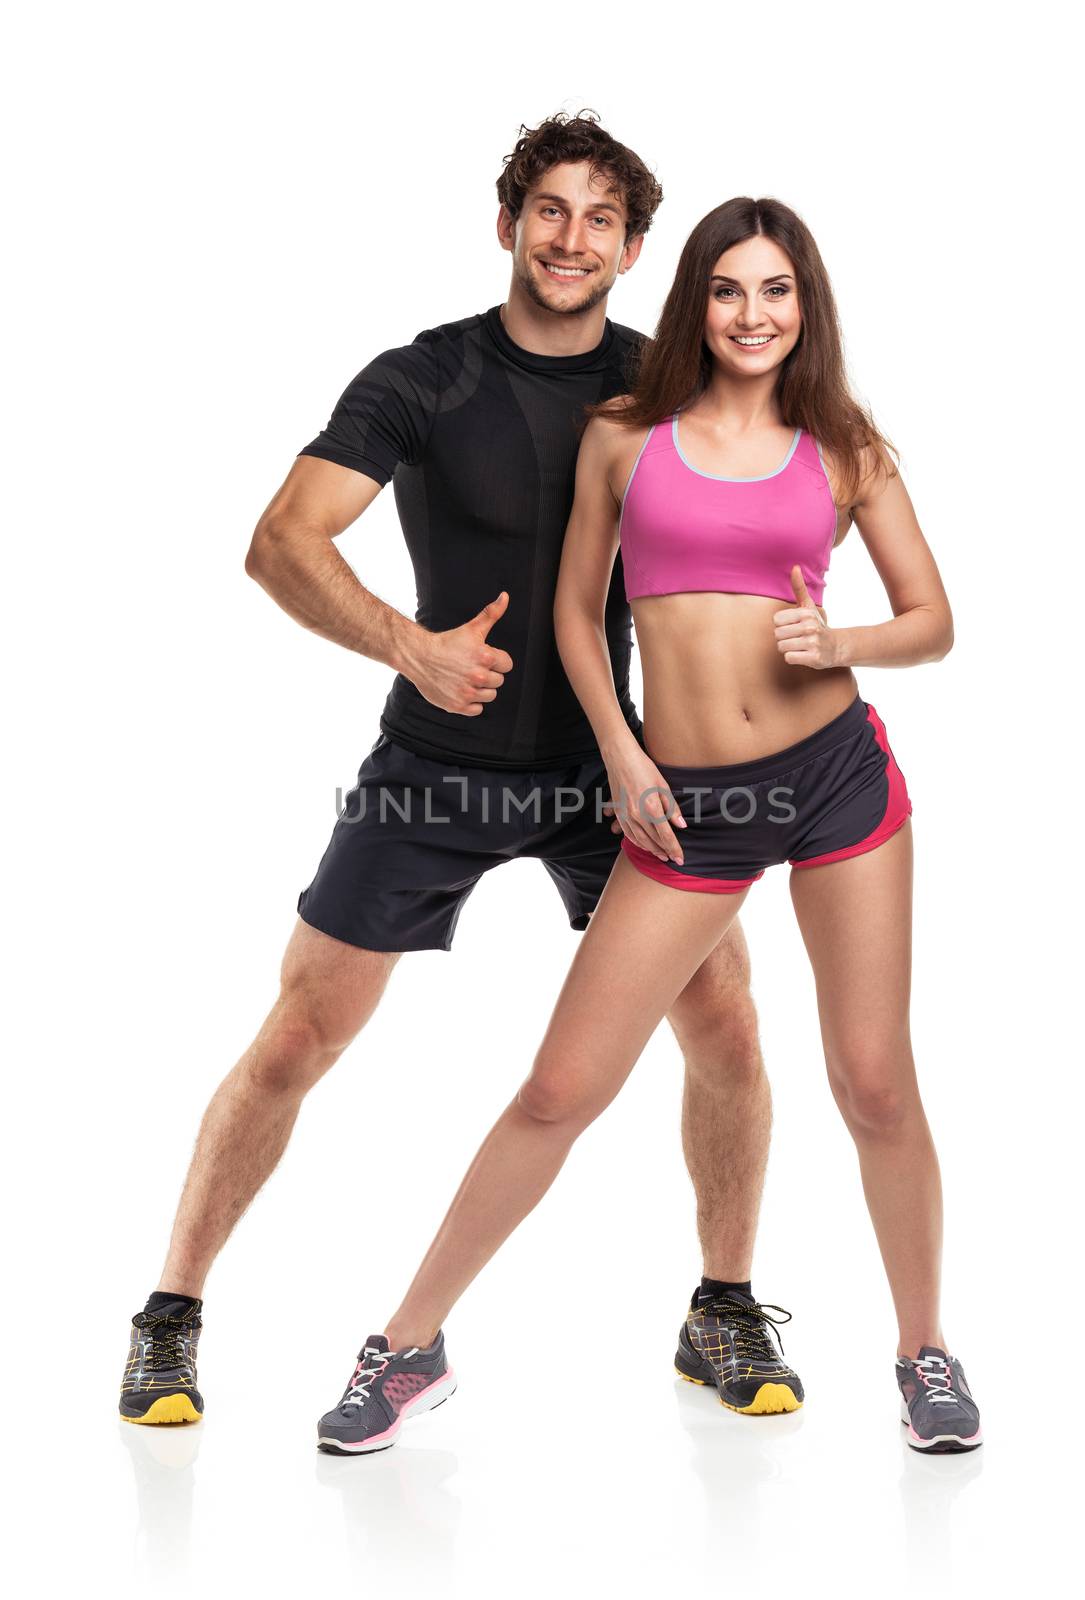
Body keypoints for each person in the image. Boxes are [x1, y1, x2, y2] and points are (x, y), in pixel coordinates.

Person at [119, 117, 797, 1433]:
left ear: (633, 248)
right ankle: (170, 1315)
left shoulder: (657, 382)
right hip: (436, 764)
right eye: (548, 211)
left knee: (723, 1018)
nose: (570, 238)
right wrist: (406, 647)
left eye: (600, 219)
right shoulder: (422, 379)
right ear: (506, 224)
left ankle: (719, 1305)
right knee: (302, 1032)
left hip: (609, 769)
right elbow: (280, 541)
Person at [316, 196, 982, 1456]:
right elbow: (576, 613)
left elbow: (932, 618)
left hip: (838, 779)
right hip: (686, 801)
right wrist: (622, 752)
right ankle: (408, 1344)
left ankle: (924, 1351)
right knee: (563, 1084)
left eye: (776, 291)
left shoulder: (844, 446)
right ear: (693, 301)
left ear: (806, 307)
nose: (752, 314)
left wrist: (843, 641)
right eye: (728, 290)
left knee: (874, 1082)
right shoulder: (627, 435)